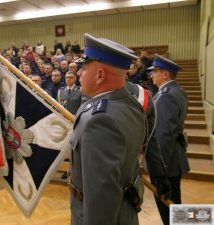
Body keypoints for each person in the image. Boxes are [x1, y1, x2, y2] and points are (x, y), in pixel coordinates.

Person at [69, 33, 146, 225]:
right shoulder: (130, 104)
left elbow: (100, 199)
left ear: (100, 75)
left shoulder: (100, 120)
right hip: (123, 208)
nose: (79, 73)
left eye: (84, 68)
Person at [149, 54, 190, 225]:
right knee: (175, 209)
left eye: (155, 71)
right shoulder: (176, 90)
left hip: (167, 163)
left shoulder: (166, 95)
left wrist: (160, 172)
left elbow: (163, 136)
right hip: (173, 160)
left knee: (169, 209)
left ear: (165, 74)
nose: (151, 75)